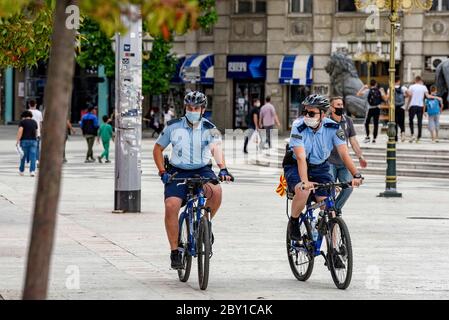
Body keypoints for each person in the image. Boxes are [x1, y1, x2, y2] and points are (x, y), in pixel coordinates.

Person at [152, 91, 234, 270]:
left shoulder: (210, 128)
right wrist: (162, 171)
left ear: (203, 109)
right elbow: (157, 149)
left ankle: (206, 223)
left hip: (202, 169)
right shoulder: (173, 126)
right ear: (185, 108)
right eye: (189, 108)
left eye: (196, 108)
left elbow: (216, 150)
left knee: (217, 191)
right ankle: (175, 251)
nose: (192, 110)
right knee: (171, 206)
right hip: (177, 171)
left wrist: (223, 169)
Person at [282, 94, 363, 245]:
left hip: (320, 167)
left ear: (323, 114)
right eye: (305, 112)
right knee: (303, 190)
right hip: (295, 164)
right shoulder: (297, 126)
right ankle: (294, 222)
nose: (307, 116)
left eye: (311, 113)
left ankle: (335, 250)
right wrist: (305, 182)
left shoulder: (333, 127)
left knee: (329, 209)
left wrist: (356, 174)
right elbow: (300, 157)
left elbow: (344, 153)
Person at [327, 97, 368, 215]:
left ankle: (335, 208)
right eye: (337, 105)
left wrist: (360, 157)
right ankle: (329, 212)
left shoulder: (348, 121)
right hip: (329, 162)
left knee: (349, 187)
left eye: (341, 105)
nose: (340, 107)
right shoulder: (326, 122)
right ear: (331, 107)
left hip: (344, 161)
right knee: (329, 189)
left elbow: (353, 141)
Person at [407, 76, 438, 143]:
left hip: (412, 105)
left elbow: (409, 96)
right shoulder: (423, 87)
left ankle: (412, 135)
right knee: (419, 122)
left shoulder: (411, 86)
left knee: (411, 121)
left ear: (415, 80)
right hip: (420, 106)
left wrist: (407, 106)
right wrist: (437, 97)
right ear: (420, 80)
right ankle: (419, 137)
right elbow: (428, 96)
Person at [357, 79, 386, 144]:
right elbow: (385, 98)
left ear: (370, 84)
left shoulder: (368, 90)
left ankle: (367, 136)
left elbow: (358, 94)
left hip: (370, 109)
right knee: (376, 124)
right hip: (377, 109)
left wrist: (363, 87)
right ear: (376, 84)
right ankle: (374, 138)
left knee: (366, 123)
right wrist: (383, 91)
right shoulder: (379, 90)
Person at [385, 78, 408, 142]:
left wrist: (389, 104)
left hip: (394, 107)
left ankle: (395, 137)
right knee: (402, 122)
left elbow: (387, 98)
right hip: (401, 107)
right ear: (399, 81)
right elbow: (410, 94)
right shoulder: (403, 88)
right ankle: (402, 133)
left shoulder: (390, 88)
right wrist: (404, 96)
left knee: (394, 122)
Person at [16, 110, 38, 176]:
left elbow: (20, 131)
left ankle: (21, 171)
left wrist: (17, 140)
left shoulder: (22, 122)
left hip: (24, 141)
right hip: (33, 141)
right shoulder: (34, 122)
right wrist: (35, 138)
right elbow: (36, 132)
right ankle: (32, 171)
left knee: (23, 156)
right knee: (33, 157)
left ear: (24, 116)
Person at [28, 100, 43, 165]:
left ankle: (29, 160)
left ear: (29, 105)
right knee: (37, 147)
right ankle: (37, 160)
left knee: (28, 146)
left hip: (28, 132)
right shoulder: (39, 113)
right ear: (36, 104)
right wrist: (41, 132)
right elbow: (40, 124)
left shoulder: (27, 112)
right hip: (37, 132)